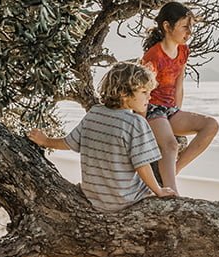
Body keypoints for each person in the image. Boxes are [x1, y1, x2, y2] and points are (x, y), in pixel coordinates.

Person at [27, 61, 176, 211]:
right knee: (157, 186)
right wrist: (158, 191)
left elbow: (68, 143)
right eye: (144, 92)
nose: (149, 97)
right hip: (126, 200)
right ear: (124, 93)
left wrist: (44, 140)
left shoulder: (94, 113)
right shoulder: (135, 123)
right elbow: (142, 165)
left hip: (95, 198)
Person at [141, 1, 219, 191]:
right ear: (167, 26)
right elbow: (142, 92)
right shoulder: (153, 55)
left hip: (171, 111)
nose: (189, 32)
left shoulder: (183, 50)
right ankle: (171, 191)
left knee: (211, 125)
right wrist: (140, 126)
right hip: (151, 110)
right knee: (171, 145)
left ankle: (173, 172)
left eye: (190, 27)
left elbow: (179, 85)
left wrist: (177, 112)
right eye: (184, 27)